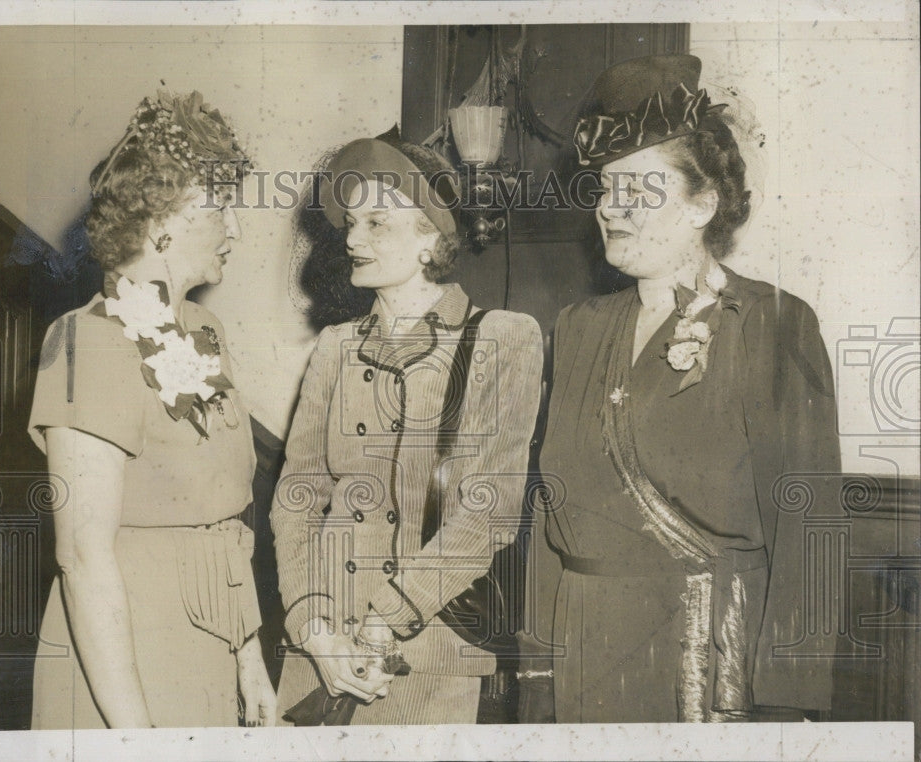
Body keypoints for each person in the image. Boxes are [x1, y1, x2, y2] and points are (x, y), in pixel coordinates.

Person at [519, 54, 840, 723]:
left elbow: (810, 535)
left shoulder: (775, 326)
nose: (610, 208)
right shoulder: (576, 328)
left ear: (704, 203)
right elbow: (550, 526)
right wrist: (537, 681)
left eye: (638, 188)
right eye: (605, 189)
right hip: (581, 659)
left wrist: (787, 710)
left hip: (703, 663)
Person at [270, 128, 543, 724]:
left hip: (425, 659)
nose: (353, 239)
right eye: (350, 224)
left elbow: (488, 510)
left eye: (376, 223)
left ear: (430, 238)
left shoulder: (503, 337)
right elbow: (298, 497)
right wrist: (314, 628)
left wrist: (384, 620)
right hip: (318, 655)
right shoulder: (335, 347)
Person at [28, 90, 276, 728]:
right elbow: (82, 557)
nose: (237, 228)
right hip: (126, 657)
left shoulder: (204, 328)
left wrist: (248, 659)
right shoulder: (86, 340)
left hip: (213, 638)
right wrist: (135, 739)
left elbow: (226, 522)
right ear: (171, 214)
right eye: (223, 208)